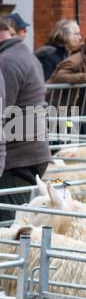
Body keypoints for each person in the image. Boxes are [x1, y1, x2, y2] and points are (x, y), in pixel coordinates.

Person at [0, 15, 49, 222]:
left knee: (7, 229)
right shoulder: (24, 54)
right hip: (30, 153)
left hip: (16, 158)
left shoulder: (6, 62)